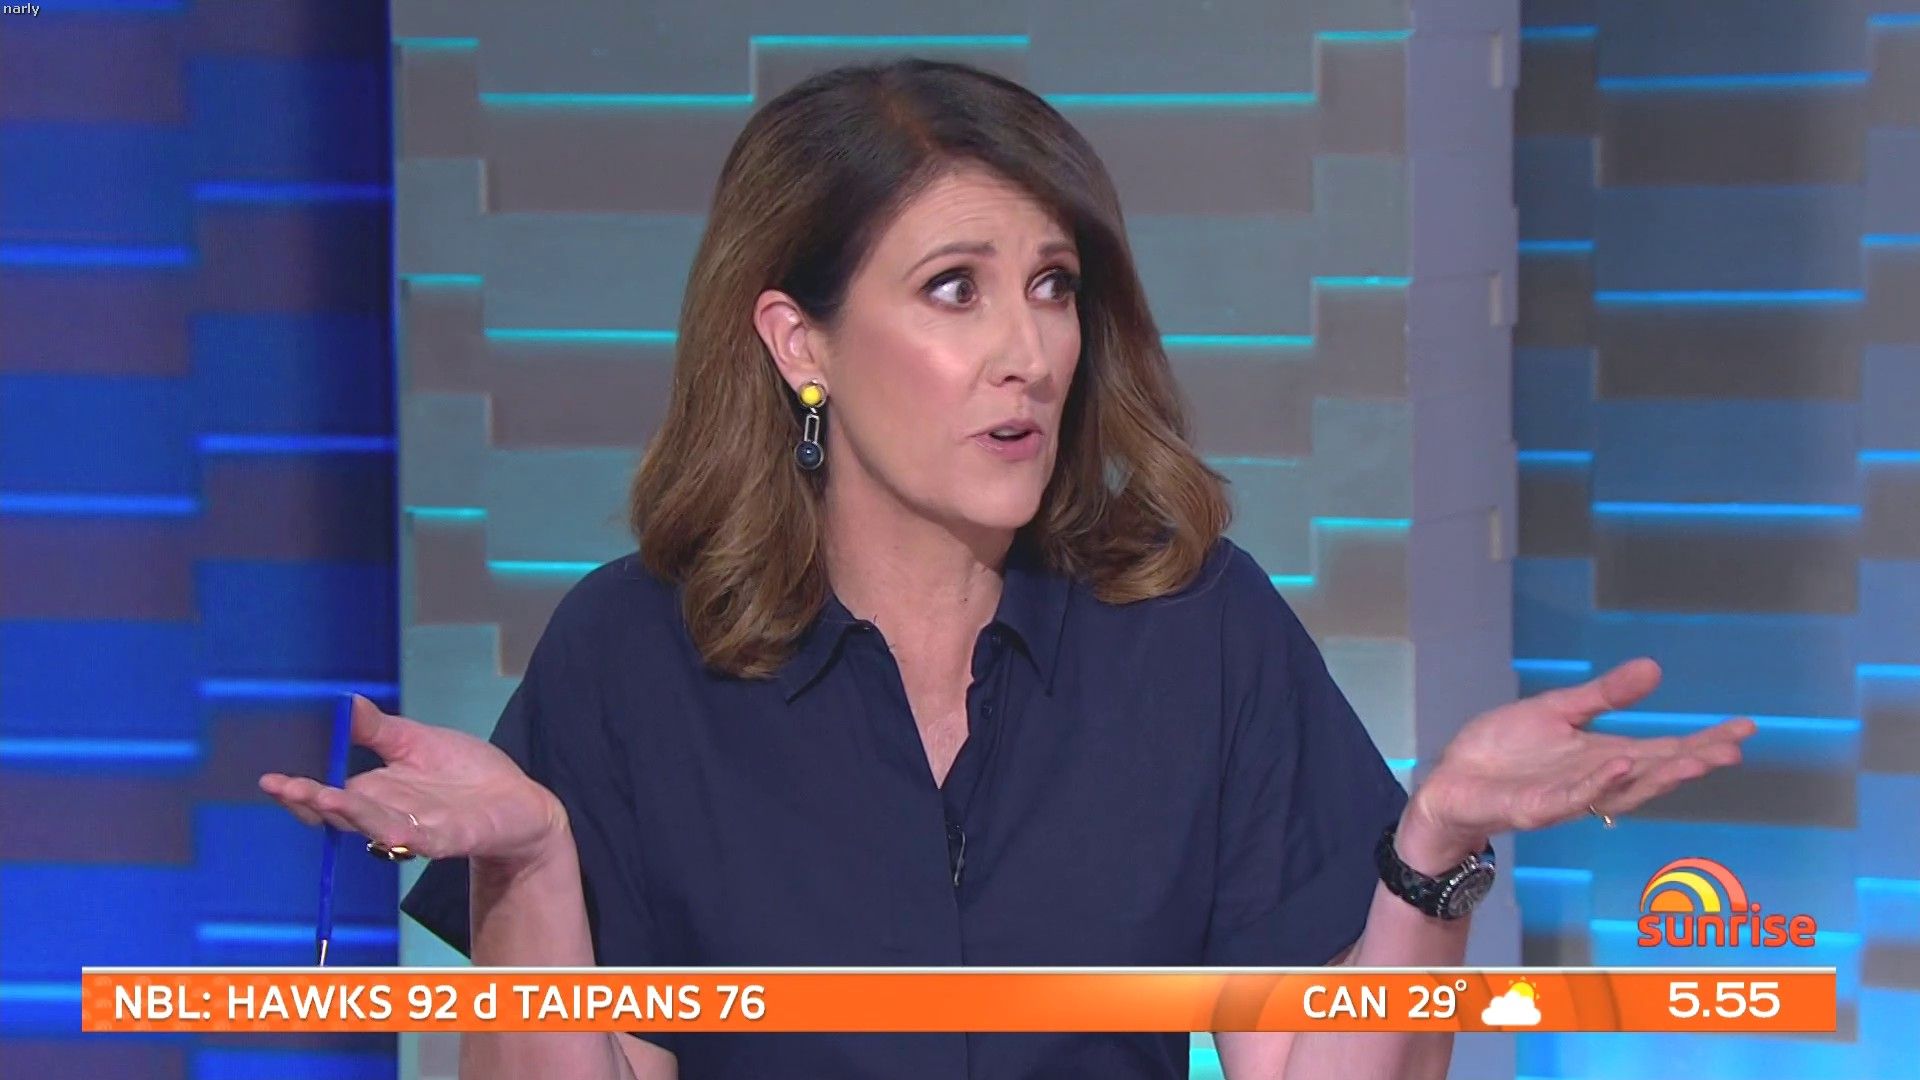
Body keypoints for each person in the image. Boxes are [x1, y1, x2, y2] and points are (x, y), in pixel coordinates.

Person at [259, 58, 1754, 1080]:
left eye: (1051, 286)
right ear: (799, 341)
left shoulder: (1194, 628)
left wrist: (1434, 845)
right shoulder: (630, 656)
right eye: (953, 291)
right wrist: (529, 863)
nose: (1027, 351)